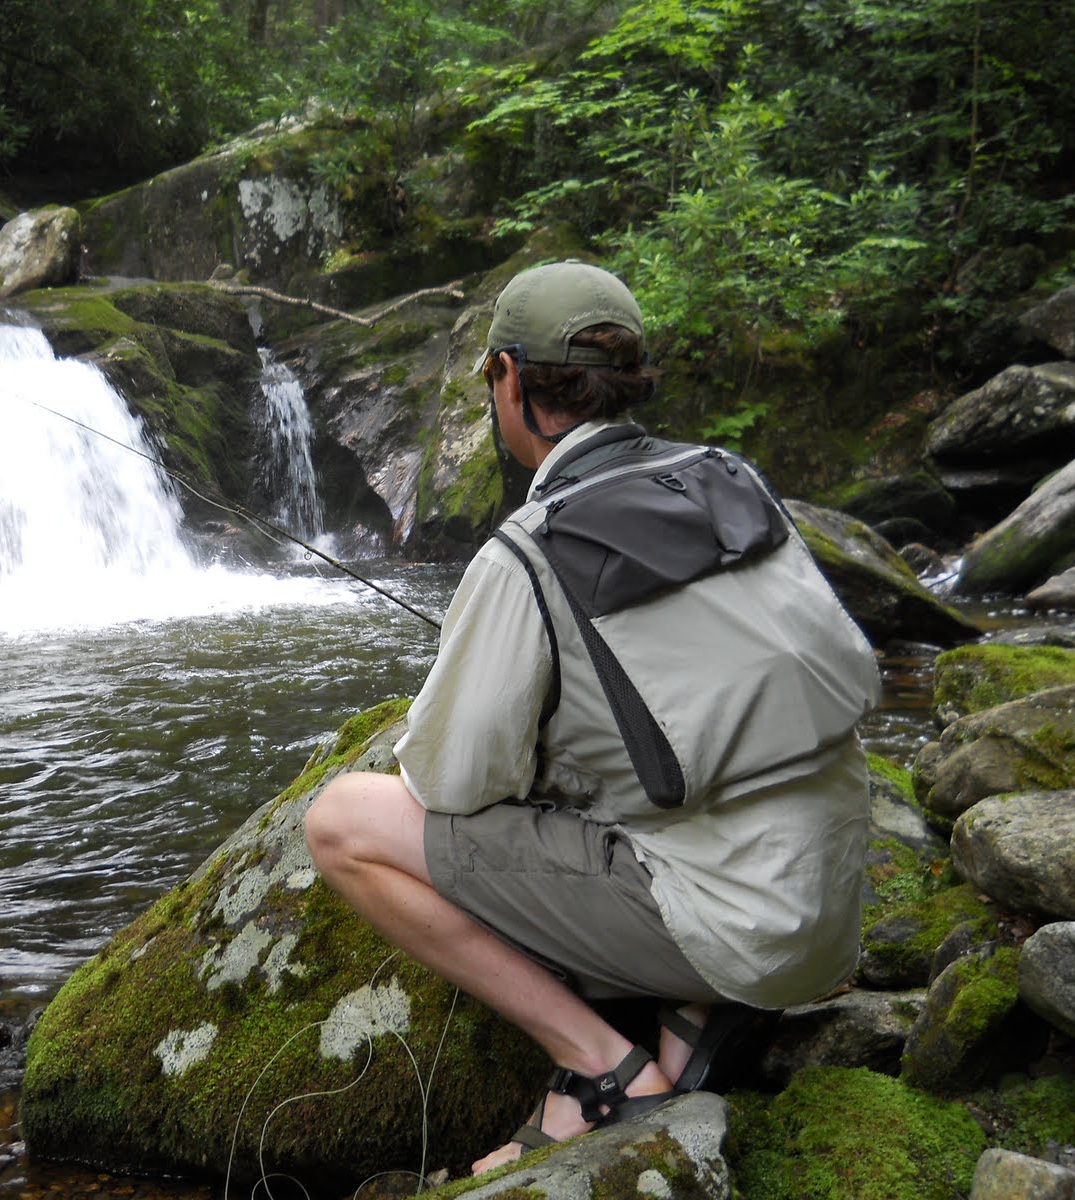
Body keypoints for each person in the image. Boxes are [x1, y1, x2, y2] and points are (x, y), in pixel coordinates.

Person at [303, 260, 881, 1174]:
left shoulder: (528, 552)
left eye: (492, 378)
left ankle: (599, 1070)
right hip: (833, 919)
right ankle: (697, 1016)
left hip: (736, 930)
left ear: (508, 379)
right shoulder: (729, 480)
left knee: (343, 822)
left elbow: (451, 782)